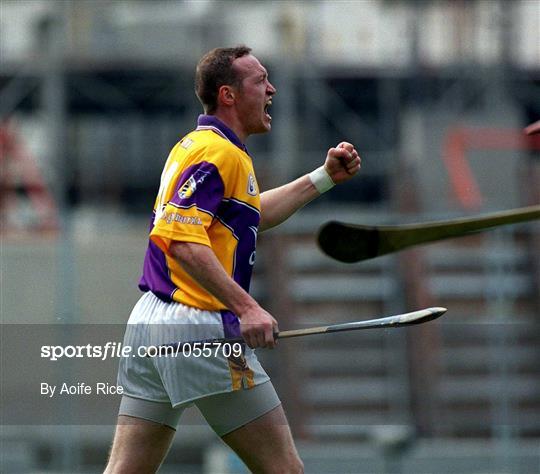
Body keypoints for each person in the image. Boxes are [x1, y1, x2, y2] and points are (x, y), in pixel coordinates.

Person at [104, 45, 361, 474]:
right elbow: (181, 241)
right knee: (284, 469)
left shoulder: (198, 145)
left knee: (127, 469)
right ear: (228, 95)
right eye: (260, 81)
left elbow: (253, 213)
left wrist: (324, 178)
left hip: (150, 324)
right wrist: (247, 307)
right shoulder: (220, 153)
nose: (271, 89)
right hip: (197, 323)